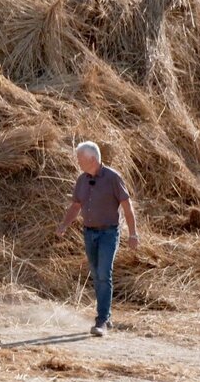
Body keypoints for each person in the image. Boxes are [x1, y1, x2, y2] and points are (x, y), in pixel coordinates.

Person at [56, 141, 139, 337]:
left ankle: (101, 320)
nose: (78, 162)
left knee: (103, 273)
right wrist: (64, 225)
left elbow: (127, 207)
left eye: (80, 159)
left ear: (92, 159)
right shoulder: (82, 180)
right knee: (96, 273)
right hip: (89, 233)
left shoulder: (113, 178)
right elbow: (76, 206)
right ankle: (106, 316)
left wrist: (133, 233)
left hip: (108, 233)